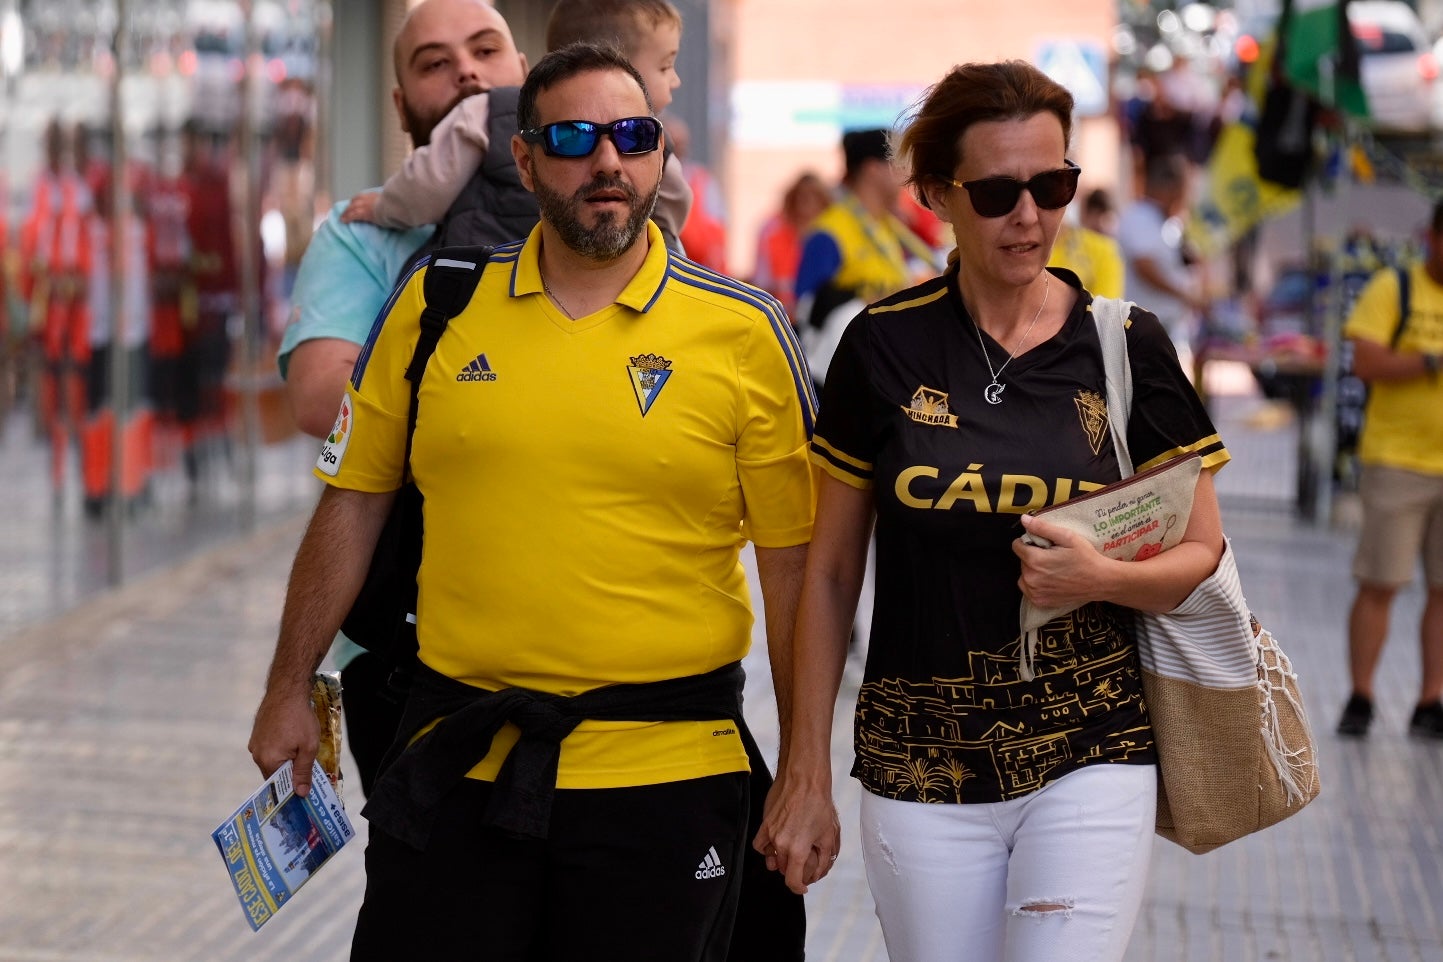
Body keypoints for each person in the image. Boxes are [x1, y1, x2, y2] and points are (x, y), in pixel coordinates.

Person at [248, 41, 816, 960]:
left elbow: (797, 568)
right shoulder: (438, 305)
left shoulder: (744, 332)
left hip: (667, 779)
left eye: (633, 137)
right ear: (522, 159)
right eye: (573, 138)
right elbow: (351, 503)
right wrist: (285, 688)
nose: (608, 162)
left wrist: (804, 772)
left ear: (660, 153)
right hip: (455, 769)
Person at [755, 60, 1229, 962]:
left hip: (1092, 748)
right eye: (998, 191)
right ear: (936, 192)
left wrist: (1100, 577)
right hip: (916, 762)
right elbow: (826, 574)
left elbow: (1200, 555)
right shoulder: (881, 345)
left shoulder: (1124, 346)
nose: (1029, 215)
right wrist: (803, 769)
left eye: (1052, 186)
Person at [276, 0, 531, 793]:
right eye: (434, 61)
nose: (465, 70)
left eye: (486, 49)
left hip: (576, 635)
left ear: (525, 74)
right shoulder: (360, 234)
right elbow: (323, 398)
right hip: (403, 638)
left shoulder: (586, 217)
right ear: (401, 106)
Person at [342, 0, 692, 253]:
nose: (675, 80)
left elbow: (426, 187)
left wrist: (384, 207)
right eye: (665, 67)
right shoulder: (485, 108)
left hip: (482, 267)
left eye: (486, 51)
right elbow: (675, 199)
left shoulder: (486, 110)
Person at [1335, 198, 1443, 740]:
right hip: (1397, 463)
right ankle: (1361, 694)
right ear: (1433, 238)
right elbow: (1366, 361)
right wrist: (1429, 360)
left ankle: (1431, 701)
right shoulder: (1393, 289)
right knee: (1381, 582)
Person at [794, 126, 936, 386]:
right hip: (839, 380)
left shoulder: (886, 226)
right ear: (873, 169)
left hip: (882, 367)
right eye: (897, 163)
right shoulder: (830, 231)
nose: (907, 173)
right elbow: (806, 310)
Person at [1117, 153, 1205, 376]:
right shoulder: (1139, 217)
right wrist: (1183, 294)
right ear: (1169, 189)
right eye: (1184, 189)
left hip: (1172, 325)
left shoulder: (1170, 222)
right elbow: (1144, 265)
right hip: (1146, 327)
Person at [751, 171, 830, 317]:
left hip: (818, 322)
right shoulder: (772, 233)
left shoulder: (830, 237)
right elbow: (760, 283)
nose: (806, 202)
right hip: (777, 316)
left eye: (814, 196)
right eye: (801, 195)